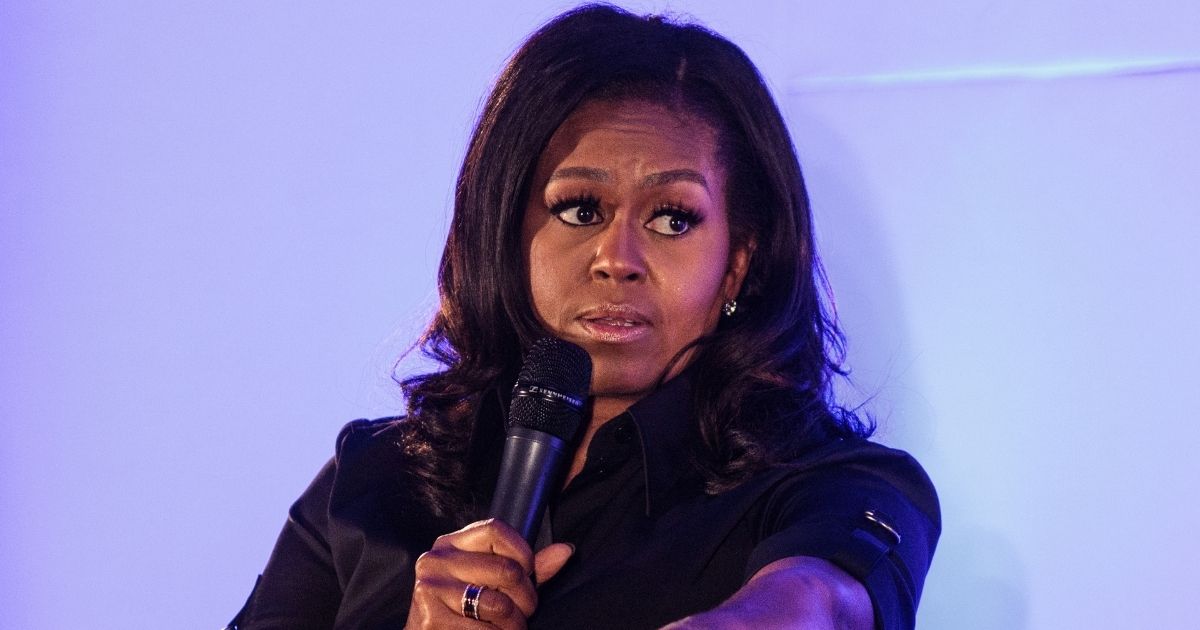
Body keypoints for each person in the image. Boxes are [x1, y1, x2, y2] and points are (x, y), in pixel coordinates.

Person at [228, 4, 939, 629]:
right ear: (506, 231)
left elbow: (817, 598)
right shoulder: (376, 477)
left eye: (671, 218)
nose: (616, 258)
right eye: (580, 210)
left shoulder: (830, 483)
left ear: (738, 263)